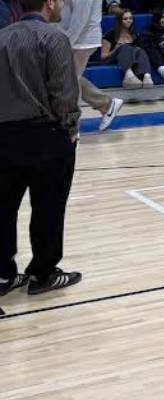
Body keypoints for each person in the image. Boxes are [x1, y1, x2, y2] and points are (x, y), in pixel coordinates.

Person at [0, 0, 84, 296]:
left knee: (3, 208)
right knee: (48, 208)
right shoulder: (53, 37)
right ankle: (42, 274)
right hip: (46, 136)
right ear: (49, 3)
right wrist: (71, 129)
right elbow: (63, 91)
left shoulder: (2, 36)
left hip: (4, 136)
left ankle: (2, 275)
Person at [60, 0, 125, 132]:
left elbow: (81, 18)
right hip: (76, 39)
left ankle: (73, 126)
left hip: (81, 40)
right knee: (71, 77)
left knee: (71, 81)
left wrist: (65, 42)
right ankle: (106, 104)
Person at [103, 9, 157, 88]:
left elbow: (139, 53)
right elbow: (103, 57)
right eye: (125, 19)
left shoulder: (134, 34)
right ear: (119, 21)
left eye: (130, 18)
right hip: (113, 59)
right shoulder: (110, 34)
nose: (129, 21)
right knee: (124, 47)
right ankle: (129, 75)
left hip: (133, 61)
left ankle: (147, 76)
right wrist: (115, 49)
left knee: (141, 50)